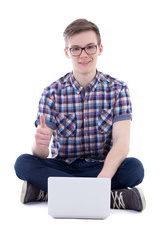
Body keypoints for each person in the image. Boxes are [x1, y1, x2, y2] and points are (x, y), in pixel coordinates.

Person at [14, 19, 145, 211]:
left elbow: (122, 142)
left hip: (101, 167)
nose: (83, 54)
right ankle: (110, 197)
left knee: (135, 168)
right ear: (67, 52)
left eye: (89, 47)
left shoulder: (118, 89)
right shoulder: (51, 92)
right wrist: (39, 145)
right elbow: (41, 153)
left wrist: (103, 178)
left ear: (100, 49)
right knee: (23, 163)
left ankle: (50, 192)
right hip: (63, 167)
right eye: (76, 48)